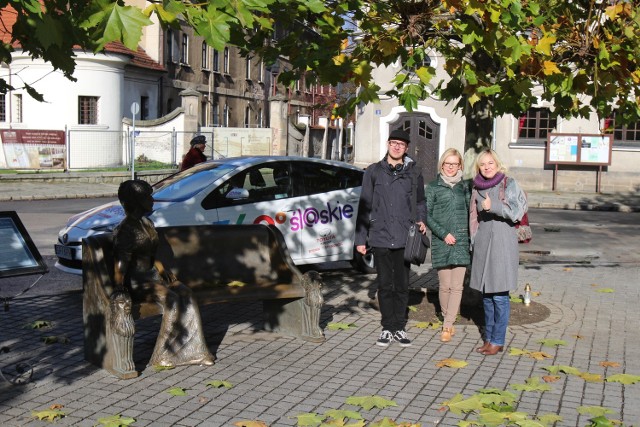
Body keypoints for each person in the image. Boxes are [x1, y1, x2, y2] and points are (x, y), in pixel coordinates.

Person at [113, 179, 215, 367]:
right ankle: (165, 354)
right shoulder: (126, 229)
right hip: (138, 281)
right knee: (173, 300)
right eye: (148, 196)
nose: (152, 200)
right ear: (137, 200)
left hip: (153, 276)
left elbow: (152, 253)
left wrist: (162, 270)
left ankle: (195, 351)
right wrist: (119, 286)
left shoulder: (147, 223)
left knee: (187, 294)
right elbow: (122, 261)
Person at [355, 129, 427, 347]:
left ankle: (399, 327)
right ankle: (388, 327)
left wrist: (422, 219)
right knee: (385, 285)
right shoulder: (374, 172)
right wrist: (360, 239)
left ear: (406, 148)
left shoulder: (414, 172)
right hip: (380, 236)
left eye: (401, 144)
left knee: (402, 285)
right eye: (393, 143)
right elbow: (364, 205)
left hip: (405, 236)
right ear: (388, 144)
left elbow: (420, 201)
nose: (396, 147)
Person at [469, 149, 527, 356]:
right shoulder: (476, 187)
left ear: (498, 164)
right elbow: (473, 217)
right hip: (484, 244)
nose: (487, 167)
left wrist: (494, 206)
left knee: (500, 296)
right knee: (486, 296)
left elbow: (518, 212)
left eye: (490, 163)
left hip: (503, 244)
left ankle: (498, 340)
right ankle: (489, 338)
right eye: (483, 164)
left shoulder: (508, 184)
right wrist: (473, 242)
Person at [425, 148, 471, 343]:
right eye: (447, 164)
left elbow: (472, 213)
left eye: (455, 164)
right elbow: (426, 215)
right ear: (442, 165)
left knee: (457, 286)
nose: (451, 167)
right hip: (441, 241)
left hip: (461, 240)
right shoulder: (434, 187)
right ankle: (447, 318)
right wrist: (443, 234)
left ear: (460, 165)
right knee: (444, 286)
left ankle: (448, 325)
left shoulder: (466, 187)